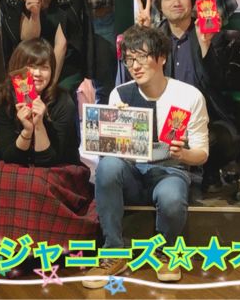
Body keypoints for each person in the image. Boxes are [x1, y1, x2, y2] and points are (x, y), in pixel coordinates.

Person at [83, 25, 209, 288]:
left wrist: (183, 153)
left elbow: (202, 153)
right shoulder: (121, 94)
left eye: (141, 57)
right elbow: (109, 152)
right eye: (129, 59)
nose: (135, 66)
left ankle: (166, 252)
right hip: (131, 170)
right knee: (107, 166)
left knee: (171, 197)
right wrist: (115, 127)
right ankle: (113, 253)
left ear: (161, 58)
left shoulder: (189, 96)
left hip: (170, 170)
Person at [0, 38, 98, 247]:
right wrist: (27, 131)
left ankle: (39, 250)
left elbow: (51, 160)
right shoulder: (3, 99)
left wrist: (39, 125)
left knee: (35, 181)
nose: (37, 73)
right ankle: (5, 247)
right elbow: (10, 156)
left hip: (62, 168)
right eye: (31, 66)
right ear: (17, 68)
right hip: (22, 165)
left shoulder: (62, 101)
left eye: (44, 68)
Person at [139, 0, 240, 192]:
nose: (176, 2)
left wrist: (206, 45)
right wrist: (143, 38)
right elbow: (142, 82)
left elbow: (219, 83)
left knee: (216, 139)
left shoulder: (211, 35)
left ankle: (206, 170)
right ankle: (172, 175)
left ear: (193, 1)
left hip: (208, 120)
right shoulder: (155, 38)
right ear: (159, 6)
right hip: (167, 121)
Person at [0, 0, 94, 100]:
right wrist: (35, 14)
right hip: (26, 61)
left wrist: (49, 87)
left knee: (59, 99)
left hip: (64, 64)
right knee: (23, 102)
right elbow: (26, 41)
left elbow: (61, 45)